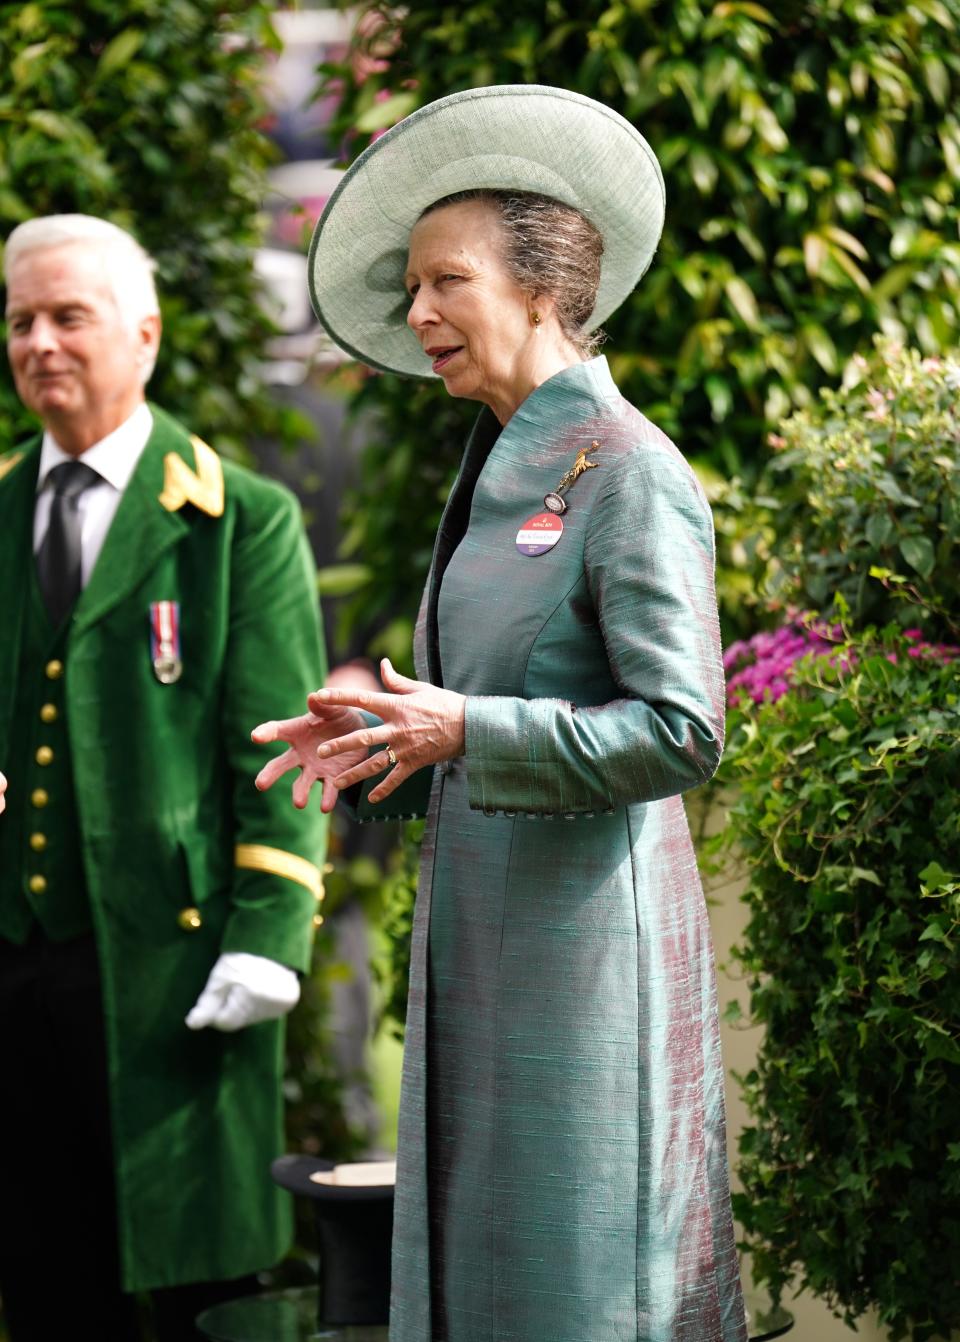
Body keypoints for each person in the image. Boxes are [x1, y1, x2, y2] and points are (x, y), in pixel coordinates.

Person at [253, 86, 747, 1342]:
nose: (416, 313)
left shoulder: (631, 471)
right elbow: (481, 703)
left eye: (443, 282)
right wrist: (389, 736)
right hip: (487, 952)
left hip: (587, 979)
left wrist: (467, 729)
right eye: (413, 287)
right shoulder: (498, 463)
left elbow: (682, 730)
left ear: (541, 290)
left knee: (580, 1292)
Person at [0, 214, 327, 1342]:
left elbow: (280, 748)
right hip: (16, 968)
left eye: (68, 317)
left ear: (143, 336)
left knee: (208, 1294)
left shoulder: (239, 520)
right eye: (21, 320)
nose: (40, 341)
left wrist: (271, 930)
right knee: (45, 1287)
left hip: (179, 969)